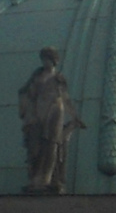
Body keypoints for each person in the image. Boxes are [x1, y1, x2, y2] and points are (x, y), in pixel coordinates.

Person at [18, 47, 85, 194]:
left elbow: (66, 99)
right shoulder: (36, 77)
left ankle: (46, 179)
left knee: (50, 146)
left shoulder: (58, 78)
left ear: (54, 61)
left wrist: (74, 116)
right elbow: (27, 94)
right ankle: (35, 177)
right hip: (37, 114)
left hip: (54, 113)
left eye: (48, 59)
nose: (45, 62)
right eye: (43, 59)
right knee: (34, 148)